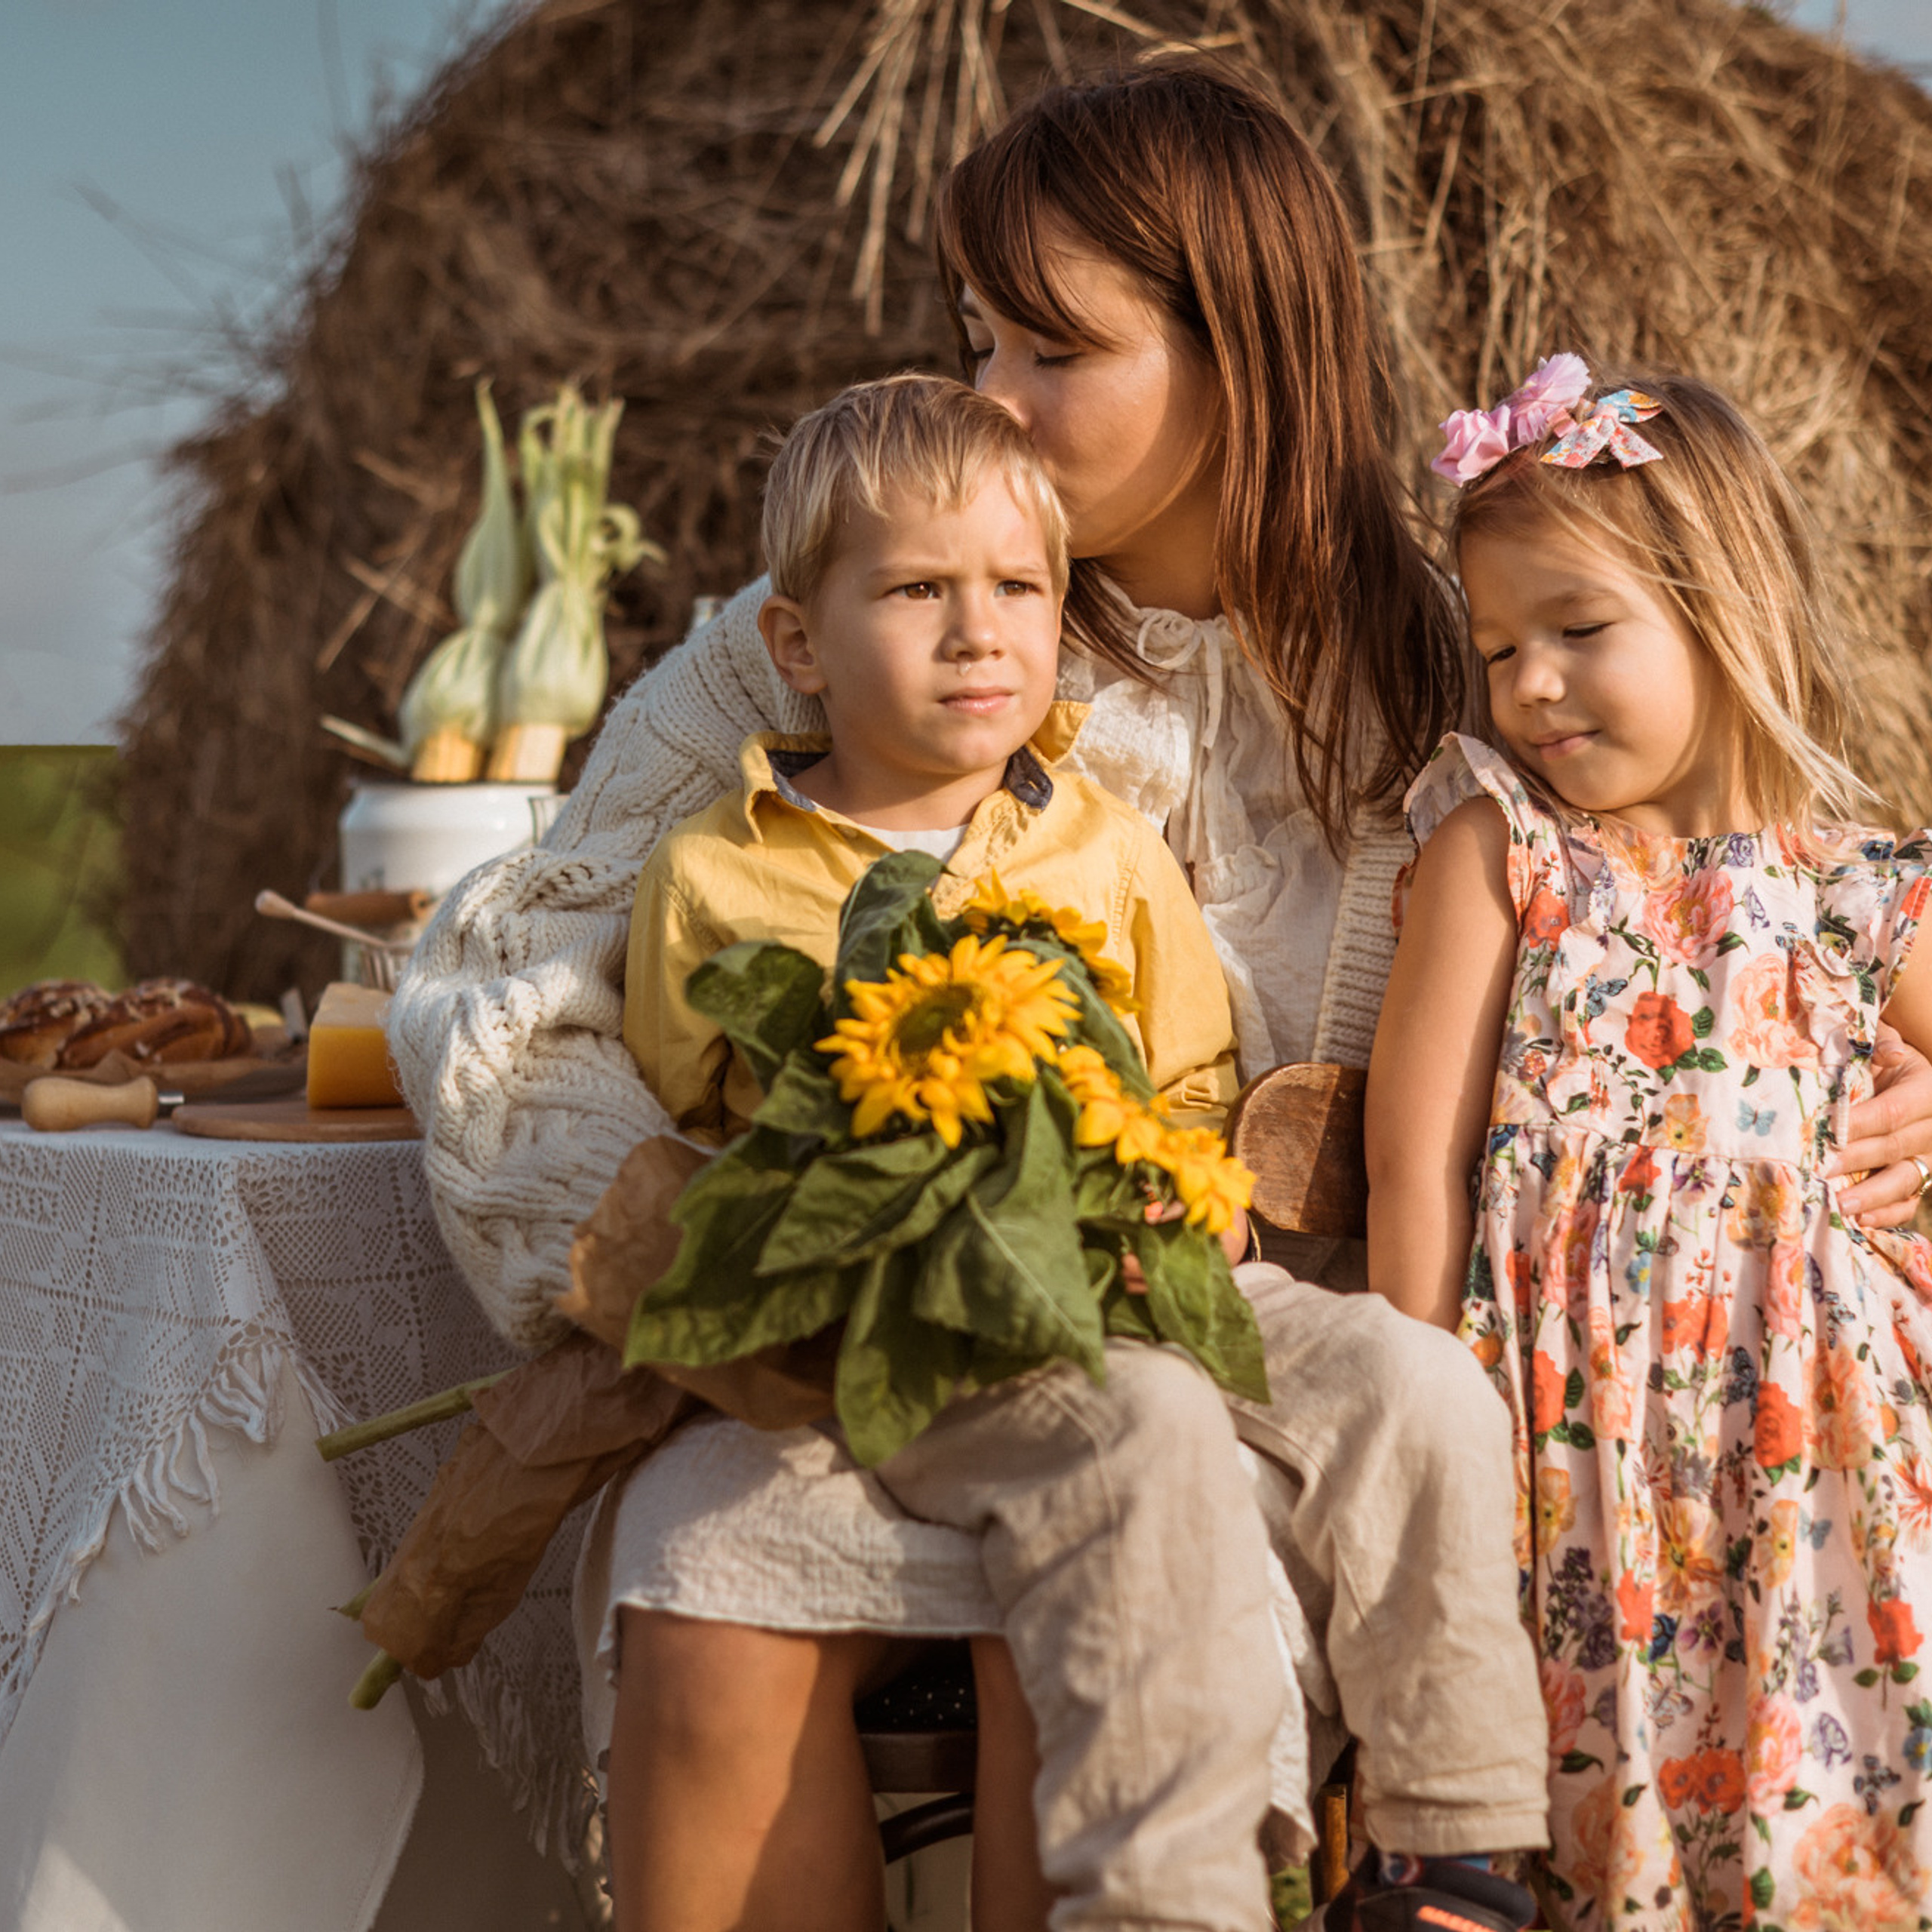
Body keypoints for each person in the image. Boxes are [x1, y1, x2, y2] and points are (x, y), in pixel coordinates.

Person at [387, 57, 1932, 1932]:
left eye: (1050, 347)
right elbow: (507, 977)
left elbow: (1749, 899)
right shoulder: (860, 606)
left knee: (1115, 1595)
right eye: (976, 337)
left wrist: (1881, 1092)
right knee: (706, 1574)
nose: (990, 399)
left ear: (1239, 353)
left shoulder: (1481, 657)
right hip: (842, 1339)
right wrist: (741, 1256)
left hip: (1262, 1381)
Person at [616, 368, 1281, 1931]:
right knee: (704, 1573)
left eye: (1015, 589)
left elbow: (1185, 1088)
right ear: (795, 643)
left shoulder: (1103, 847)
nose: (978, 630)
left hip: (1067, 1333)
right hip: (824, 1354)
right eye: (918, 589)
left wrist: (1166, 1214)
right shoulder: (714, 868)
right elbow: (680, 1108)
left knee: (1070, 1610)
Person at [1367, 357, 1932, 1926]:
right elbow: (1414, 1158)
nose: (1525, 685)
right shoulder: (1507, 855)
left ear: (1720, 603)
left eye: (1575, 630)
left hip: (1817, 1466)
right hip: (1575, 1457)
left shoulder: (1859, 889)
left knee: (1818, 1808)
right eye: (1495, 649)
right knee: (1598, 1820)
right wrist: (1410, 1424)